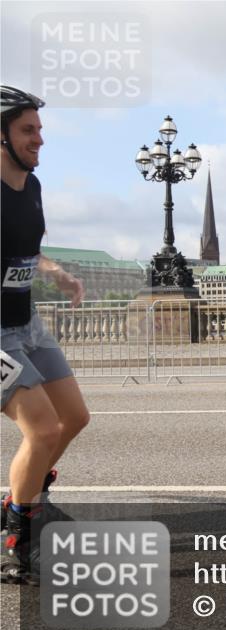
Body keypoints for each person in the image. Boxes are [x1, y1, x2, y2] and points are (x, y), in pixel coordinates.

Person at [1, 85, 90, 584]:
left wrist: (57, 273)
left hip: (26, 322)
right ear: (1, 137)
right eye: (28, 130)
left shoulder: (31, 187)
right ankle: (18, 540)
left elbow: (28, 251)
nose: (40, 140)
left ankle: (21, 494)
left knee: (74, 417)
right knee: (43, 429)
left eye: (39, 130)